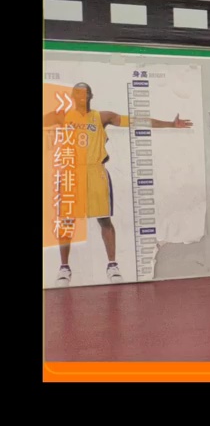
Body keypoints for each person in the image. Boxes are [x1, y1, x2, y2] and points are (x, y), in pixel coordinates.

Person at [43, 82, 193, 287]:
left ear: (90, 96)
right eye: (77, 94)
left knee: (104, 220)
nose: (81, 97)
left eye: (84, 93)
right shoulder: (62, 116)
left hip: (96, 171)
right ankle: (64, 268)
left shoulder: (102, 117)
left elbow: (135, 121)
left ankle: (112, 265)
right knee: (66, 221)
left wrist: (170, 124)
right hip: (72, 171)